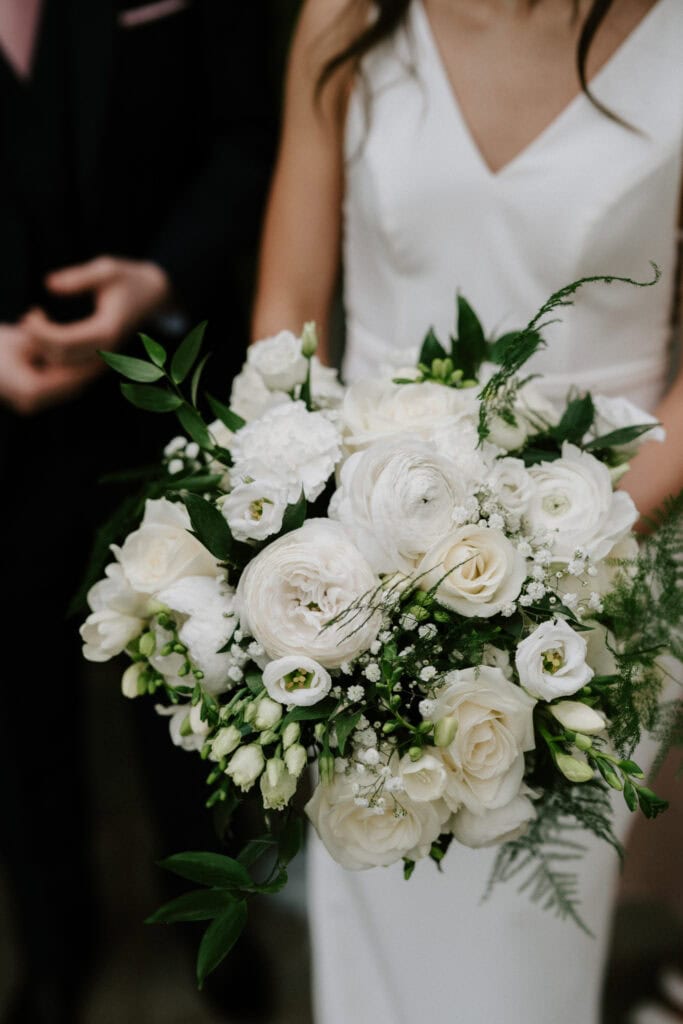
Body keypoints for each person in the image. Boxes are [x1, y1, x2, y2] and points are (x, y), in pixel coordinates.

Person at [251, 1, 683, 1021]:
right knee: (374, 909)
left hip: (598, 575)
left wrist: (546, 557)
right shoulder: (348, 16)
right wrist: (282, 523)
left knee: (524, 952)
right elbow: (287, 312)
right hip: (354, 576)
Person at [0, 2, 276, 1022]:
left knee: (199, 691)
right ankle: (52, 945)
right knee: (16, 703)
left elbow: (253, 134)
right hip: (3, 436)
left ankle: (219, 927)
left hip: (169, 385)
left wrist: (161, 275)